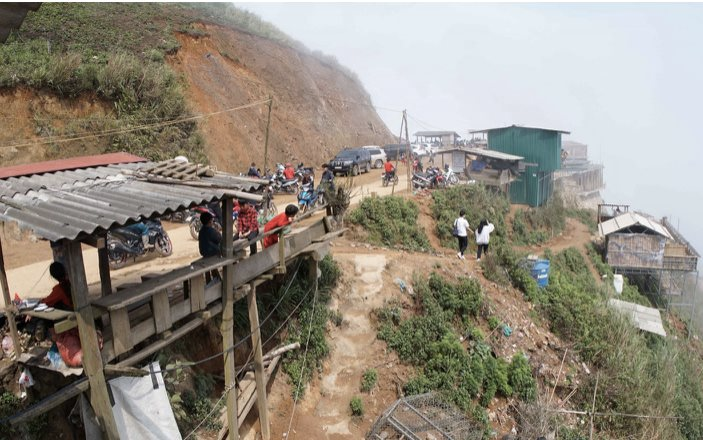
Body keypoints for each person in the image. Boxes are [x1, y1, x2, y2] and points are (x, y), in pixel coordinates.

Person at [25, 262, 73, 341]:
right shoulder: (68, 283)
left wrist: (31, 311)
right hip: (71, 309)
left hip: (71, 312)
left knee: (47, 312)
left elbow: (47, 302)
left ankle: (54, 335)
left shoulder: (59, 289)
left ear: (53, 276)